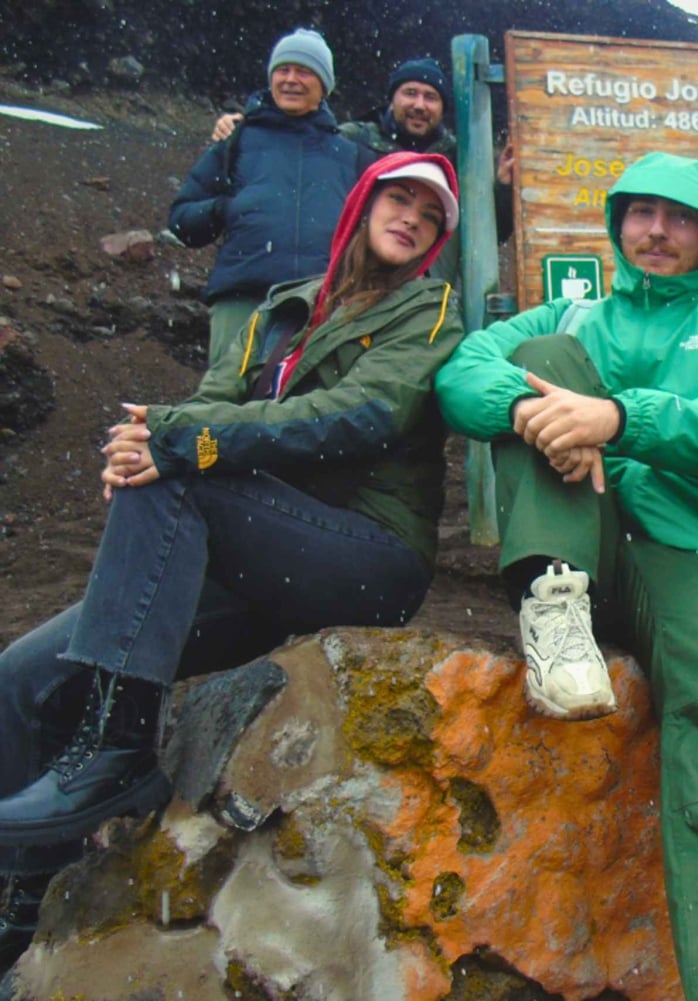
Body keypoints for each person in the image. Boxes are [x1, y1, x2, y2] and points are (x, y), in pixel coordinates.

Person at [0, 152, 465, 974]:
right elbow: (212, 403)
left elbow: (360, 414)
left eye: (430, 217)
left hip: (366, 553)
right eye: (399, 200)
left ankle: (117, 750)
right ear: (361, 205)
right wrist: (156, 436)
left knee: (178, 473)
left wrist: (180, 440)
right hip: (256, 550)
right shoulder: (284, 308)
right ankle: (31, 903)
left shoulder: (428, 312)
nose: (413, 220)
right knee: (26, 675)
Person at [435, 152, 698, 1001]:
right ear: (618, 222)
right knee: (542, 357)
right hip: (579, 536)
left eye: (680, 217)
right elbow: (460, 373)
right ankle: (554, 603)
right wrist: (533, 410)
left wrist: (619, 417)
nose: (657, 232)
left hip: (689, 550)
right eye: (641, 213)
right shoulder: (569, 315)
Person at [169, 28, 377, 368]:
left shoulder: (351, 156)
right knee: (227, 409)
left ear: (324, 86)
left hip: (323, 307)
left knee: (308, 412)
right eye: (283, 70)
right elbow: (181, 221)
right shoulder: (235, 143)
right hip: (242, 302)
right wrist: (226, 209)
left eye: (304, 71)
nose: (291, 79)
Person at [210, 55, 517, 280]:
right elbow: (299, 145)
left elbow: (485, 236)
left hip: (431, 289)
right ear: (391, 100)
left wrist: (503, 188)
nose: (420, 105)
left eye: (431, 97)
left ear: (442, 109)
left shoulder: (461, 159)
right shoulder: (351, 140)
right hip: (354, 281)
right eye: (410, 93)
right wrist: (249, 124)